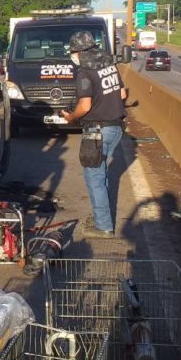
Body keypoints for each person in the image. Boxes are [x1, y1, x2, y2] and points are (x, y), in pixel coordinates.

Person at [60, 31, 127, 239]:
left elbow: (85, 105)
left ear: (78, 51)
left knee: (94, 177)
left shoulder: (85, 73)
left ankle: (104, 226)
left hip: (97, 131)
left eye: (72, 52)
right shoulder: (109, 65)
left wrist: (71, 117)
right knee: (101, 173)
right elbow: (123, 94)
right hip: (116, 127)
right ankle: (101, 218)